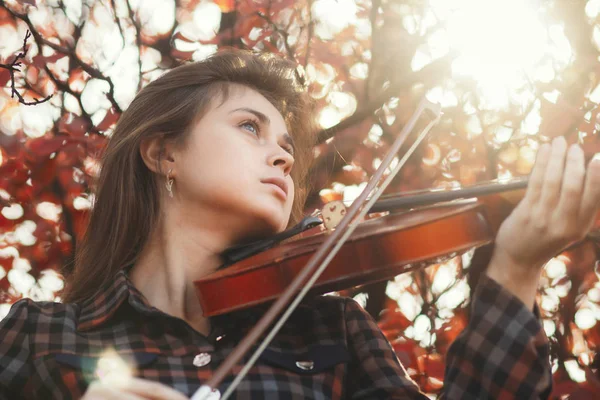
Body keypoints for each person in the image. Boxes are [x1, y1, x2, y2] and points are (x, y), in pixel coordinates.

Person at [0, 49, 599, 400]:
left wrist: (517, 267)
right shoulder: (44, 335)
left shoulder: (332, 333)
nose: (285, 157)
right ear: (164, 155)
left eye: (288, 144)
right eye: (249, 127)